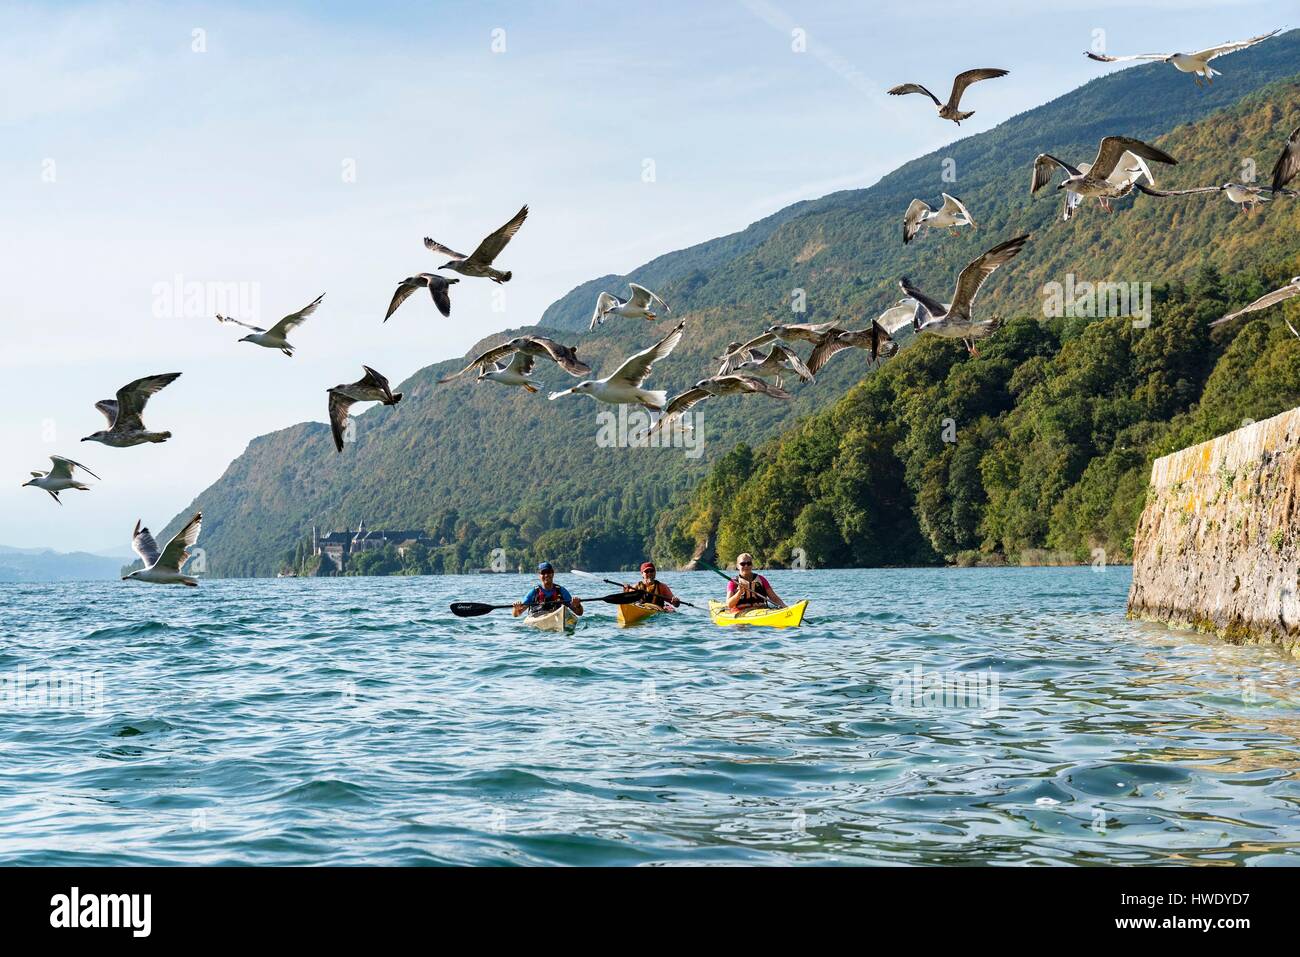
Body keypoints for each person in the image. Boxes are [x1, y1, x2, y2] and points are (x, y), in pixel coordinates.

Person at [514, 562, 584, 617]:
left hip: (557, 617)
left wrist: (578, 605)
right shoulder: (534, 592)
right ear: (539, 575)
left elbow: (579, 613)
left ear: (553, 573)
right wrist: (516, 609)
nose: (546, 575)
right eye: (543, 573)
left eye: (549, 572)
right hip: (538, 619)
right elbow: (516, 614)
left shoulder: (561, 591)